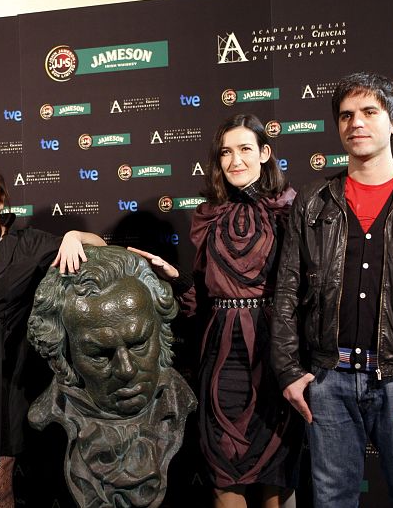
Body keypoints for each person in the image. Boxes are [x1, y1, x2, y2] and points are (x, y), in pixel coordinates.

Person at [271, 72, 393, 508]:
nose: (355, 123)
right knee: (332, 501)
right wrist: (288, 371)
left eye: (368, 112)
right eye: (345, 115)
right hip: (327, 380)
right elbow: (286, 292)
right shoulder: (313, 201)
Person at [131, 114, 300, 508]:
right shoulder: (209, 214)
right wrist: (176, 278)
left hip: (273, 358)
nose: (235, 160)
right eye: (226, 152)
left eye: (245, 149)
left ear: (265, 153)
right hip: (220, 359)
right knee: (224, 477)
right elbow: (203, 300)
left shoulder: (290, 210)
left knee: (276, 477)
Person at [0, 162, 105, 508]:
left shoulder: (26, 244)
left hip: (4, 379)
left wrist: (74, 236)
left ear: (2, 200)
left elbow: (98, 246)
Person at [27, 245, 197, 508]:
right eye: (100, 355)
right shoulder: (47, 420)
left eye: (139, 344)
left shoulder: (184, 404)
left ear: (160, 332)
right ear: (64, 354)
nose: (127, 369)